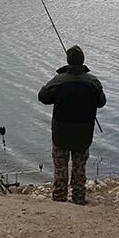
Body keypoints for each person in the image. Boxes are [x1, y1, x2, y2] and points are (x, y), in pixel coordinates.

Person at [38, 45, 106, 205]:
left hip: (61, 134)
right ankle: (78, 198)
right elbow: (101, 102)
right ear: (83, 62)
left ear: (68, 61)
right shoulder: (93, 82)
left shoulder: (59, 80)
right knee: (79, 167)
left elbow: (42, 96)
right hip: (83, 135)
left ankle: (59, 198)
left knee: (60, 167)